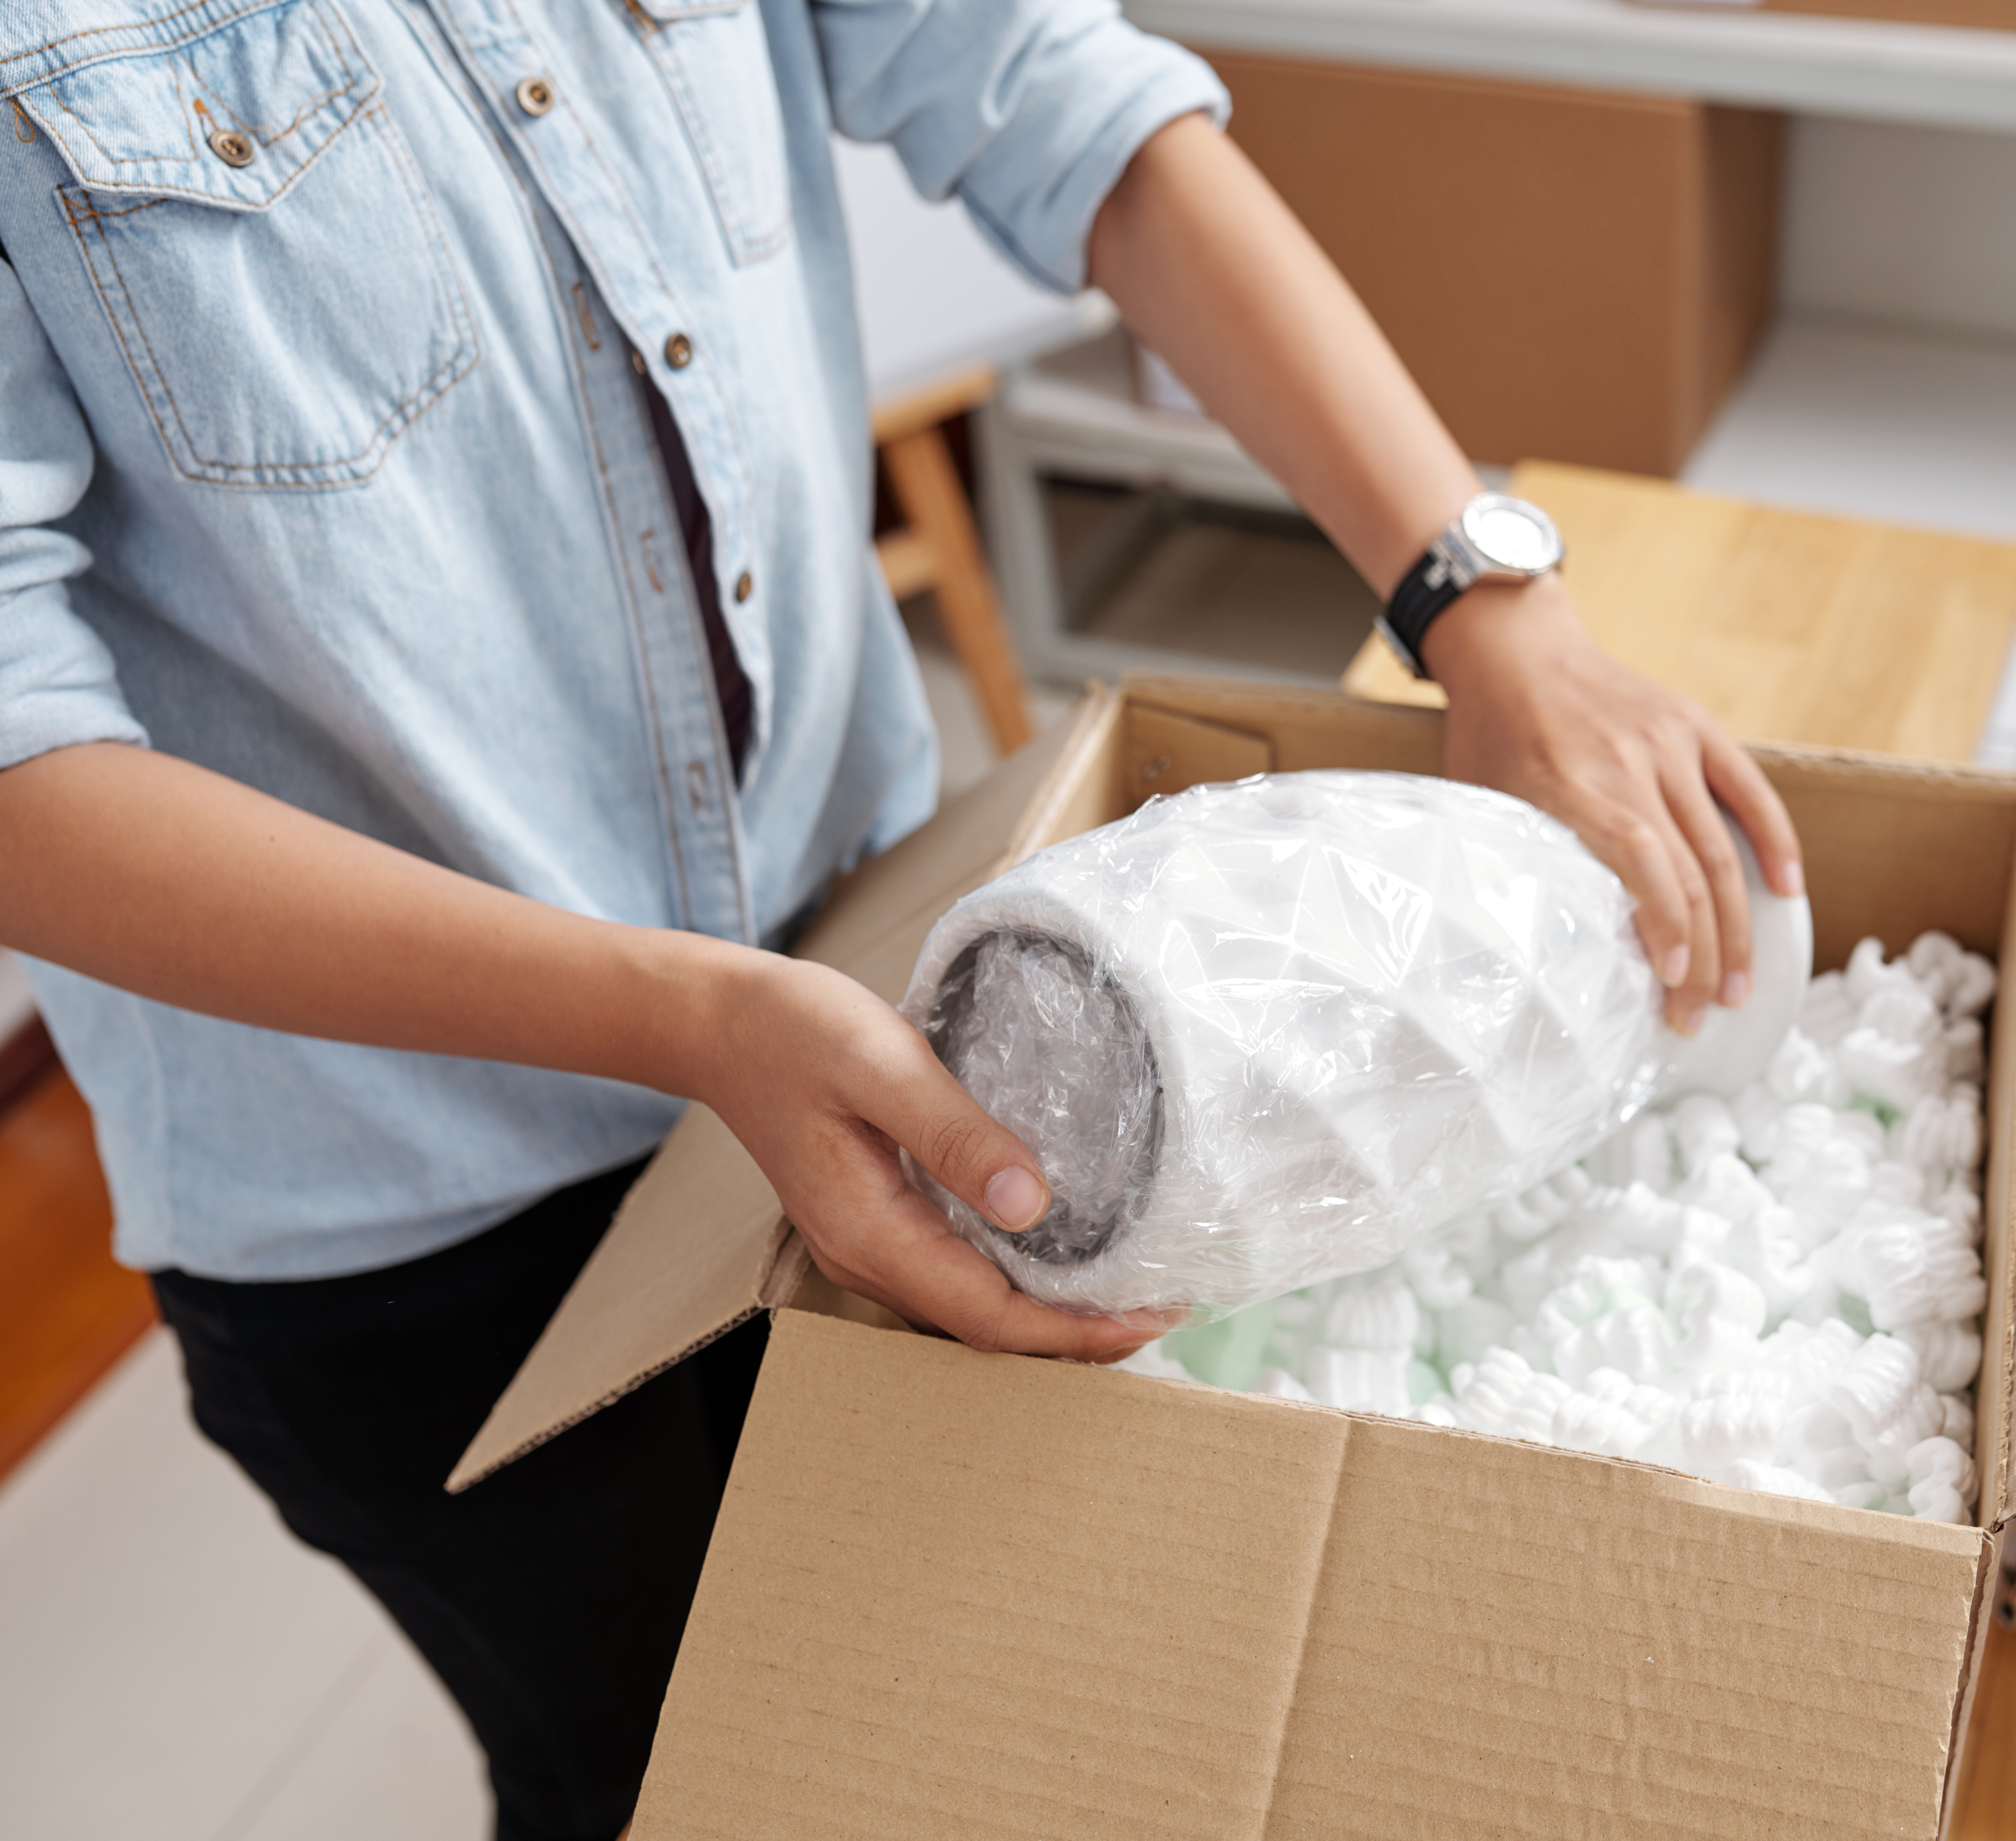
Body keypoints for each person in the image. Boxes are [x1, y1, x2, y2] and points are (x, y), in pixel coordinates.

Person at [0, 1, 1801, 1835]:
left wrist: (1476, 594)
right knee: (673, 1778)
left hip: (877, 957)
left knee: (974, 1708)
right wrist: (693, 1016)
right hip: (412, 1210)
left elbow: (1043, 87)